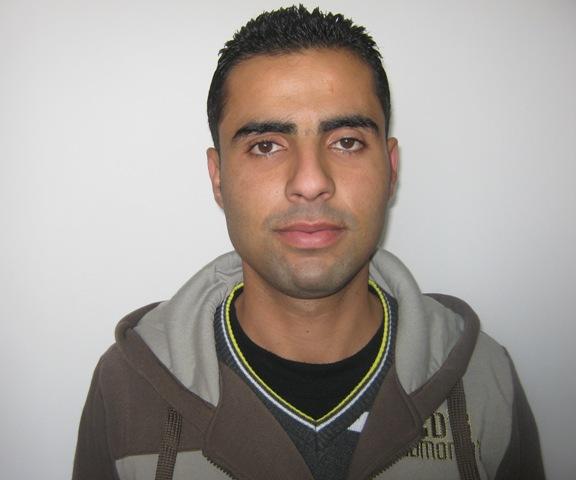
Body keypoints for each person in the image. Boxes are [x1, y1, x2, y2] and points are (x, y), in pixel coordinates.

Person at [72, 5, 544, 480]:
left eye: (346, 141)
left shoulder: (483, 380)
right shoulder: (126, 388)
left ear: (390, 169)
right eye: (266, 145)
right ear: (218, 178)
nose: (311, 182)